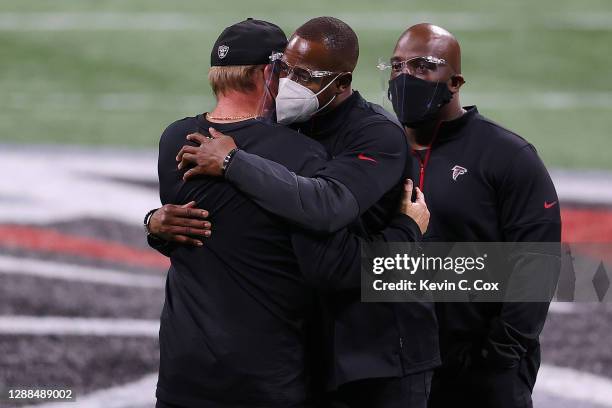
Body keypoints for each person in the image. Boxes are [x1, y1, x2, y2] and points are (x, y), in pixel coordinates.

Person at [149, 17, 439, 408]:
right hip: (312, 352)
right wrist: (155, 222)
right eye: (287, 70)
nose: (289, 83)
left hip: (379, 351)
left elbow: (327, 209)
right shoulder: (288, 133)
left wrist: (407, 229)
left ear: (341, 81)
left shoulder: (375, 134)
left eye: (304, 75)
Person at [380, 23, 562, 408]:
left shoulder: (509, 156)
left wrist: (498, 355)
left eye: (423, 66)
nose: (405, 77)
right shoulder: (377, 152)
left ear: (455, 81)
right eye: (397, 67)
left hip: (481, 371)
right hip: (395, 367)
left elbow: (538, 264)